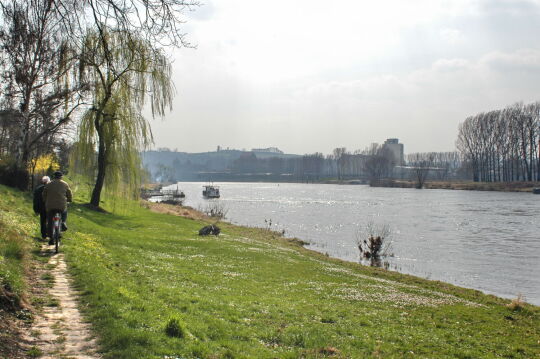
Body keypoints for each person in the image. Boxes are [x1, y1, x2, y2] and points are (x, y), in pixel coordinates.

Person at [43, 171, 72, 245]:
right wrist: (69, 200)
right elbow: (69, 193)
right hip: (61, 205)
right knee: (64, 211)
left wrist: (45, 200)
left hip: (50, 205)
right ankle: (63, 222)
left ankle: (50, 238)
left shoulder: (49, 184)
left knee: (50, 220)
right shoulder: (65, 184)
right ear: (61, 177)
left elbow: (44, 194)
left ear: (54, 176)